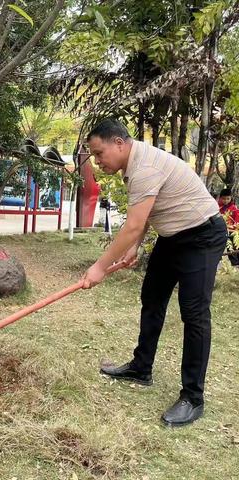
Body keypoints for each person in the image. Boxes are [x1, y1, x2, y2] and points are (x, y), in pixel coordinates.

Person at [82, 118, 227, 427]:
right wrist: (133, 246)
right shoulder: (136, 163)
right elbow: (146, 212)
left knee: (194, 312)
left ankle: (193, 397)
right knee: (152, 296)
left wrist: (100, 266)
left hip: (202, 235)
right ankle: (141, 366)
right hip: (174, 236)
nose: (98, 161)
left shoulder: (145, 168)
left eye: (99, 153)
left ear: (119, 144)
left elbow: (132, 224)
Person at [218, 188, 239, 267]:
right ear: (220, 198)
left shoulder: (233, 208)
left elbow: (237, 219)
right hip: (222, 230)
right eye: (223, 198)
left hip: (232, 229)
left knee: (235, 244)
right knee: (227, 245)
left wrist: (235, 226)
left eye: (228, 199)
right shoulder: (218, 208)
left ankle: (237, 263)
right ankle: (234, 263)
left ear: (231, 198)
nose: (226, 200)